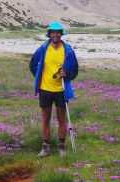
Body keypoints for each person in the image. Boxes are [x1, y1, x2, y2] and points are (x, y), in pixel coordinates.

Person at [29, 21, 78, 158]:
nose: (55, 35)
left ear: (61, 34)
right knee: (45, 119)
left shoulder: (68, 50)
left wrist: (66, 73)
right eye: (53, 32)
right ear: (49, 34)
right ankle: (46, 148)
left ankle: (61, 147)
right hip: (45, 89)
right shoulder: (43, 49)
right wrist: (39, 76)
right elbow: (33, 65)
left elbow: (75, 70)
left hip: (61, 90)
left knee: (62, 119)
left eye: (58, 32)